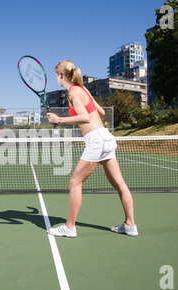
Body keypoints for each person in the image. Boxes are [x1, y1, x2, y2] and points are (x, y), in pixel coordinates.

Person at [47, 60, 137, 237]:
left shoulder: (73, 92)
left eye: (56, 75)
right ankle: (130, 225)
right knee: (120, 184)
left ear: (60, 75)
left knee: (75, 182)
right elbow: (101, 113)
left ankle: (70, 226)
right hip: (106, 138)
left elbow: (85, 118)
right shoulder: (84, 89)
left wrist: (59, 120)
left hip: (96, 140)